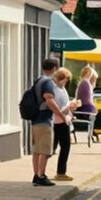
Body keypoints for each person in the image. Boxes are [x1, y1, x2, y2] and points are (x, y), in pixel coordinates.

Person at [30, 58, 65, 187]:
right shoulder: (48, 82)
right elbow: (49, 100)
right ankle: (41, 176)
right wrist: (60, 114)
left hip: (35, 120)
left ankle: (36, 175)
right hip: (44, 120)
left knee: (37, 150)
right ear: (55, 68)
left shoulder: (38, 81)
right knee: (44, 150)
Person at [51, 67, 81, 181]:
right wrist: (68, 106)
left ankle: (61, 172)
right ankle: (41, 173)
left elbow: (65, 103)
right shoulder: (54, 89)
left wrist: (72, 105)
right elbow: (57, 107)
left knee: (64, 147)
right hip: (57, 121)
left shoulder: (62, 88)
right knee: (52, 148)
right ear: (60, 78)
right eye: (65, 80)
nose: (66, 82)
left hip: (64, 121)